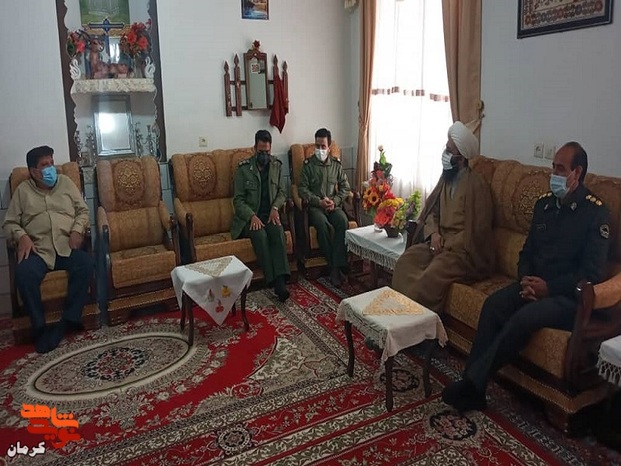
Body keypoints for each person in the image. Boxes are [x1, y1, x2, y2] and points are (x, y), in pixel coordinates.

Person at [442, 142, 611, 412]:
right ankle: (474, 388)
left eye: (560, 169)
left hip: (567, 297)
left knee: (523, 318)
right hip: (533, 285)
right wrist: (525, 279)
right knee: (494, 305)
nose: (553, 174)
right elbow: (527, 251)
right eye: (553, 167)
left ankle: (472, 383)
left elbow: (591, 274)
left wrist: (548, 288)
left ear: (577, 173)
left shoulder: (595, 213)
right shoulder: (544, 204)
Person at [392, 121, 494, 312]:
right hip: (437, 242)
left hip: (461, 253)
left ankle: (417, 325)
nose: (444, 154)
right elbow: (433, 212)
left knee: (428, 278)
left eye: (449, 151)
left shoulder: (476, 185)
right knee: (405, 263)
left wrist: (446, 243)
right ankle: (394, 316)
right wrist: (434, 234)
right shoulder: (446, 178)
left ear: (460, 158)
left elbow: (477, 233)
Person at [3, 146, 92, 353]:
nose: (51, 168)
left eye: (52, 162)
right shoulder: (23, 191)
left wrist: (77, 230)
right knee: (24, 274)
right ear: (33, 171)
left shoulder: (66, 183)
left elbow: (83, 211)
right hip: (38, 250)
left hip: (65, 246)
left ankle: (68, 320)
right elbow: (9, 223)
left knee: (86, 263)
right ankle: (40, 328)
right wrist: (22, 236)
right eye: (45, 165)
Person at [231, 130, 291, 301]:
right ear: (254, 148)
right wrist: (251, 216)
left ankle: (281, 281)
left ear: (270, 149)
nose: (264, 155)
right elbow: (238, 200)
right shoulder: (244, 169)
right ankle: (273, 281)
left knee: (277, 232)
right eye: (260, 151)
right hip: (249, 219)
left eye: (267, 152)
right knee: (260, 235)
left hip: (269, 214)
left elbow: (282, 192)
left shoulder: (277, 166)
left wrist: (275, 208)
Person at [298, 128, 352, 287]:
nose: (320, 149)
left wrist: (335, 201)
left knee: (342, 221)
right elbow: (302, 189)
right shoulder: (308, 165)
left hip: (333, 206)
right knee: (322, 225)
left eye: (323, 146)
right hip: (316, 208)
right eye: (317, 146)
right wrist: (318, 201)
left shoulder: (336, 165)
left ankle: (337, 264)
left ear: (329, 148)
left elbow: (345, 187)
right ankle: (335, 267)